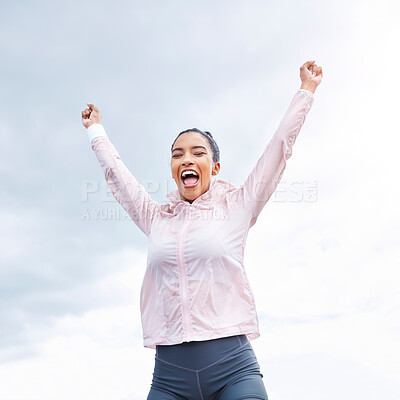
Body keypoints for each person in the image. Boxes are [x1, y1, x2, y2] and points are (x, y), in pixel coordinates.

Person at [81, 60, 323, 400]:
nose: (187, 159)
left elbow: (278, 149)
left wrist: (306, 91)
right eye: (178, 154)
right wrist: (96, 131)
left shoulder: (237, 207)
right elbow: (118, 178)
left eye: (198, 153)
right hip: (170, 379)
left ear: (215, 166)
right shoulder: (155, 218)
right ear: (172, 167)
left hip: (233, 371)